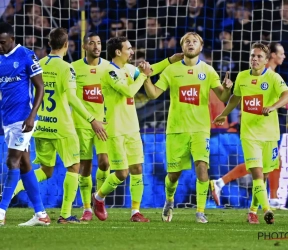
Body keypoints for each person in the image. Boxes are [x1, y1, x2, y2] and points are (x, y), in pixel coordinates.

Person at [11, 27, 107, 224]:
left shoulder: (38, 64)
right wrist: (92, 119)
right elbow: (72, 98)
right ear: (66, 45)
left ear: (49, 44)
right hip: (62, 127)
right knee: (74, 167)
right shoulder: (67, 68)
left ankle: (9, 190)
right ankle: (65, 214)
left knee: (45, 170)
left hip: (41, 125)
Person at [143, 32, 233, 223]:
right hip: (176, 129)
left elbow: (223, 98)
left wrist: (228, 88)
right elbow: (153, 95)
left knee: (202, 167)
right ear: (182, 47)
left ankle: (200, 211)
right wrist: (146, 78)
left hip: (200, 129)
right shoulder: (171, 71)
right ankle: (169, 200)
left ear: (201, 47)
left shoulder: (208, 71)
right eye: (187, 42)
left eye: (195, 42)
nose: (191, 44)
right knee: (173, 175)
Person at [92, 36, 183, 222]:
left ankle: (135, 212)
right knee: (121, 173)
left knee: (137, 168)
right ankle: (98, 197)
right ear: (118, 52)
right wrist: (143, 75)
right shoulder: (109, 72)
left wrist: (170, 60)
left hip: (132, 127)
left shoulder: (129, 69)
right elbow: (129, 91)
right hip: (115, 129)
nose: (132, 52)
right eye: (129, 48)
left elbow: (151, 70)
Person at [213, 42, 288, 224]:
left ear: (266, 60)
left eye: (259, 57)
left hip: (270, 135)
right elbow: (235, 98)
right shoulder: (242, 76)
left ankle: (252, 211)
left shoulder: (273, 78)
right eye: (252, 56)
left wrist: (272, 107)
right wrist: (223, 114)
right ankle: (267, 210)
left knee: (263, 176)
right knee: (257, 173)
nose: (254, 59)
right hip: (249, 135)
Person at [0, 22, 50, 226]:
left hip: (24, 119)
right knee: (24, 163)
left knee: (12, 161)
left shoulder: (26, 55)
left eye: (2, 42)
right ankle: (41, 214)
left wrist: (32, 115)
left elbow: (40, 87)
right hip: (7, 120)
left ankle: (1, 211)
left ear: (12, 39)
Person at [71, 32, 110, 221]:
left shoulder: (109, 67)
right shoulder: (74, 68)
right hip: (82, 124)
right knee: (85, 166)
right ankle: (87, 208)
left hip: (103, 124)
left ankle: (99, 198)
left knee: (105, 163)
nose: (96, 46)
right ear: (84, 47)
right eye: (92, 43)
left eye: (99, 43)